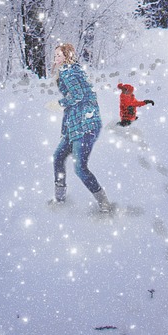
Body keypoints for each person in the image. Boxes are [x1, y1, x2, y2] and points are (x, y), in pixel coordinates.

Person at [50, 42, 115, 214]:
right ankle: (59, 198)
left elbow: (78, 96)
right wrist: (65, 130)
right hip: (78, 125)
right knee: (58, 157)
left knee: (79, 167)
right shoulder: (73, 70)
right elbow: (79, 98)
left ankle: (104, 203)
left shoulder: (68, 71)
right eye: (55, 55)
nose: (56, 58)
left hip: (84, 125)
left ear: (67, 56)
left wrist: (59, 104)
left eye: (59, 55)